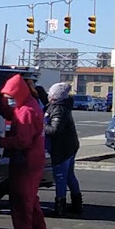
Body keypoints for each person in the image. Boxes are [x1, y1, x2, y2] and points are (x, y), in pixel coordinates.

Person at [0, 73, 51, 229]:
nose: (8, 101)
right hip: (33, 159)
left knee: (21, 201)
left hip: (26, 160)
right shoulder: (30, 105)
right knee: (30, 200)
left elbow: (22, 141)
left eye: (9, 98)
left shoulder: (25, 111)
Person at [44, 82, 82, 217]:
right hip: (70, 146)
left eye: (50, 93)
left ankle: (60, 207)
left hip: (62, 149)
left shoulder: (58, 109)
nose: (48, 95)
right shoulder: (63, 107)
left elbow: (55, 130)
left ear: (55, 97)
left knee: (60, 177)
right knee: (70, 175)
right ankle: (77, 204)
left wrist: (41, 126)